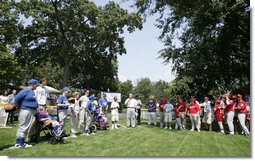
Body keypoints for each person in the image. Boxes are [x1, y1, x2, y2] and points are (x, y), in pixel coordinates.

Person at [13, 79, 39, 148]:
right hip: (26, 110)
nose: (37, 86)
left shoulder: (31, 91)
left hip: (28, 110)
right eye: (36, 84)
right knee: (24, 127)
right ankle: (21, 143)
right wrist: (16, 107)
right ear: (32, 84)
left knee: (22, 126)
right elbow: (16, 98)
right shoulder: (26, 90)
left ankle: (18, 143)